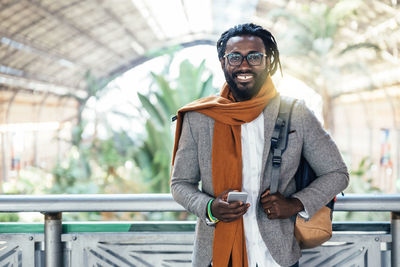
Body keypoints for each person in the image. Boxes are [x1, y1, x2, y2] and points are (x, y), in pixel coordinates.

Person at [170, 23, 349, 267]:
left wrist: (294, 204)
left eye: (254, 57)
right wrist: (210, 207)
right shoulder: (200, 118)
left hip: (277, 256)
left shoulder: (295, 112)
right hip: (216, 255)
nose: (244, 65)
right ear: (223, 63)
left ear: (268, 62)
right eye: (234, 57)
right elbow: (180, 184)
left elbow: (336, 173)